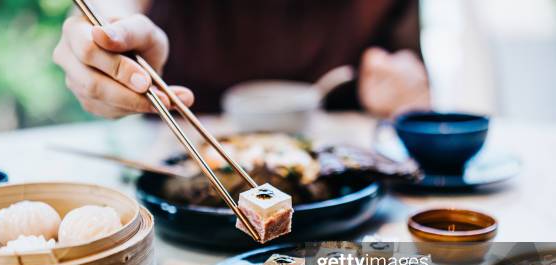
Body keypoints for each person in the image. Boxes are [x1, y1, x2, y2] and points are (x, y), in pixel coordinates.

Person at [53, 0, 430, 119]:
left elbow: (407, 79)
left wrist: (403, 95)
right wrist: (103, 49)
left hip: (348, 223)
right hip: (177, 196)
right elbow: (108, 17)